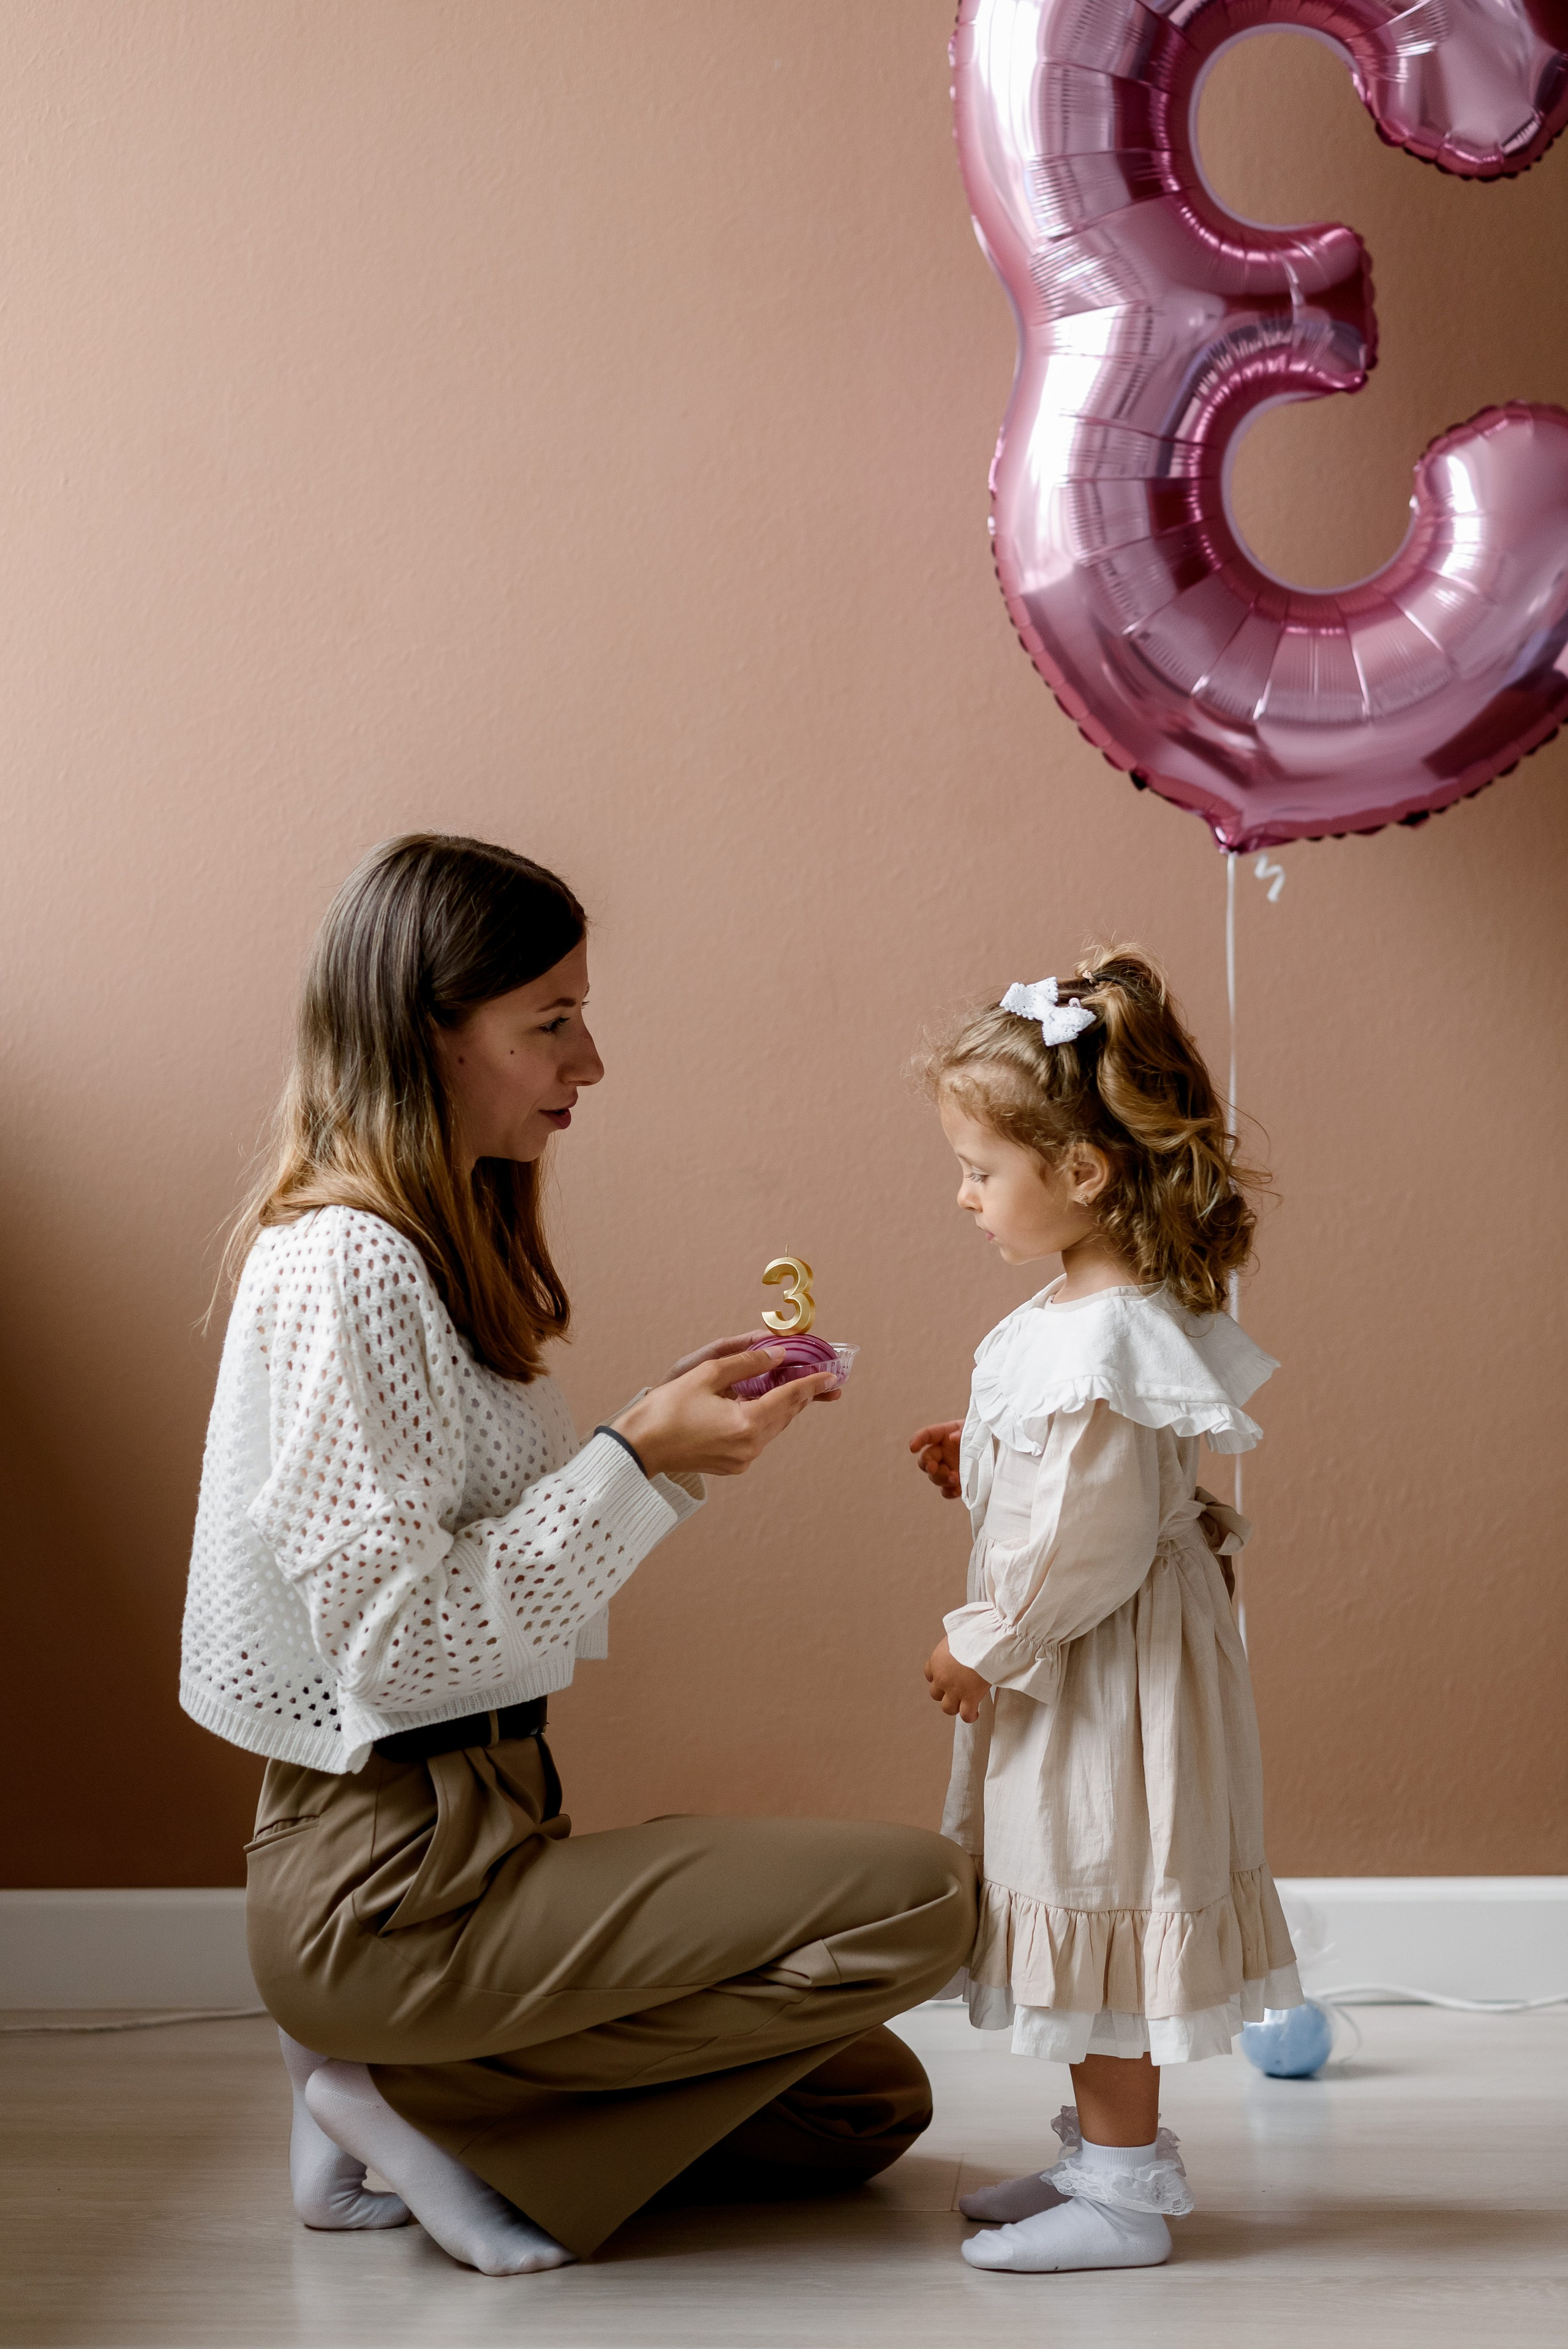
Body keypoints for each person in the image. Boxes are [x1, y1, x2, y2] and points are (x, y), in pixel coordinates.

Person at [181, 832, 974, 2274]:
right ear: (425, 1031)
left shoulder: (429, 1246)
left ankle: (405, 2116)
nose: (588, 1062)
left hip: (484, 1832)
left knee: (865, 2105)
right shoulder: (343, 1260)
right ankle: (388, 2087)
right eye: (549, 1021)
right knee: (931, 1895)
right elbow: (402, 1652)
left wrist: (655, 1459)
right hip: (389, 1881)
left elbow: (485, 1571)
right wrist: (631, 1461)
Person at [908, 949, 1301, 2275]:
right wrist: (983, 1447)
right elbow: (1096, 1469)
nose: (962, 1194)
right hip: (1095, 1654)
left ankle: (1126, 2195)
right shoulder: (1080, 1313)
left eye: (980, 1169)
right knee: (1075, 1887)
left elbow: (1088, 1538)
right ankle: (1099, 2156)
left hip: (1090, 1669)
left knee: (1100, 1892)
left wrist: (984, 1645)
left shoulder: (1106, 1329)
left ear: (1080, 1174)